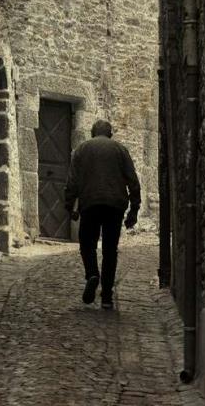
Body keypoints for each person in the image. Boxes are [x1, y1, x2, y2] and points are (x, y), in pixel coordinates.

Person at [64, 119, 141, 309]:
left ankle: (92, 273)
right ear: (110, 134)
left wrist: (70, 206)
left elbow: (72, 181)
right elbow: (133, 181)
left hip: (90, 203)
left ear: (92, 133)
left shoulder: (81, 150)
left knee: (87, 243)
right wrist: (134, 209)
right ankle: (106, 296)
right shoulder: (120, 150)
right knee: (110, 249)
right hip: (115, 206)